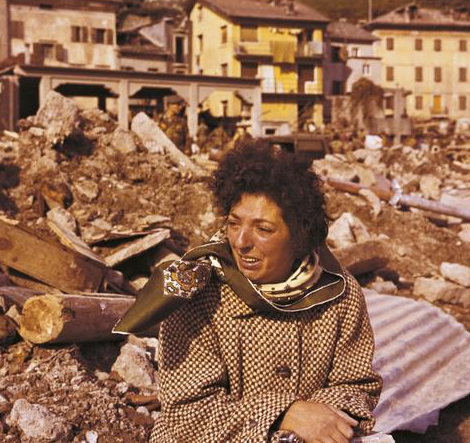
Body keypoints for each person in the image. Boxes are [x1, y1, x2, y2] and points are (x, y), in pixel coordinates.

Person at [114, 139, 382, 443]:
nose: (241, 241)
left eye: (263, 229)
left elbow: (357, 385)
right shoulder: (198, 294)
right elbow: (188, 416)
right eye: (234, 223)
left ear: (299, 237)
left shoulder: (338, 294)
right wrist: (285, 413)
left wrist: (319, 421)